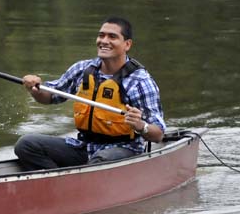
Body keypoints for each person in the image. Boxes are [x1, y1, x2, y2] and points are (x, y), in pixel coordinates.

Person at [14, 16, 165, 171]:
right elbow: (50, 96)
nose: (104, 41)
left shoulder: (139, 81)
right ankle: (56, 183)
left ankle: (72, 184)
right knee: (26, 145)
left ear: (127, 44)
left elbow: (158, 133)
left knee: (100, 160)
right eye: (101, 35)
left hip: (124, 149)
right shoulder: (82, 69)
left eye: (112, 37)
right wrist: (35, 89)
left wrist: (141, 126)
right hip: (84, 147)